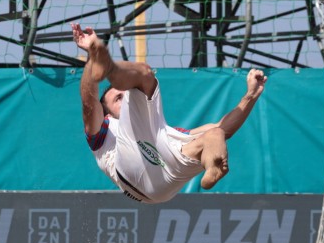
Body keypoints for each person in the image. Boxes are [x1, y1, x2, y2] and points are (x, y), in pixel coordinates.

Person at [72, 23, 267, 203]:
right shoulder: (105, 133)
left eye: (123, 94)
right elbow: (89, 103)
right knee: (144, 73)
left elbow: (224, 128)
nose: (124, 98)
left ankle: (212, 166)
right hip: (131, 174)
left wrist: (251, 95)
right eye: (117, 99)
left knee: (215, 133)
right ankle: (109, 68)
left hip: (167, 175)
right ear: (107, 115)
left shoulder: (166, 134)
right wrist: (93, 55)